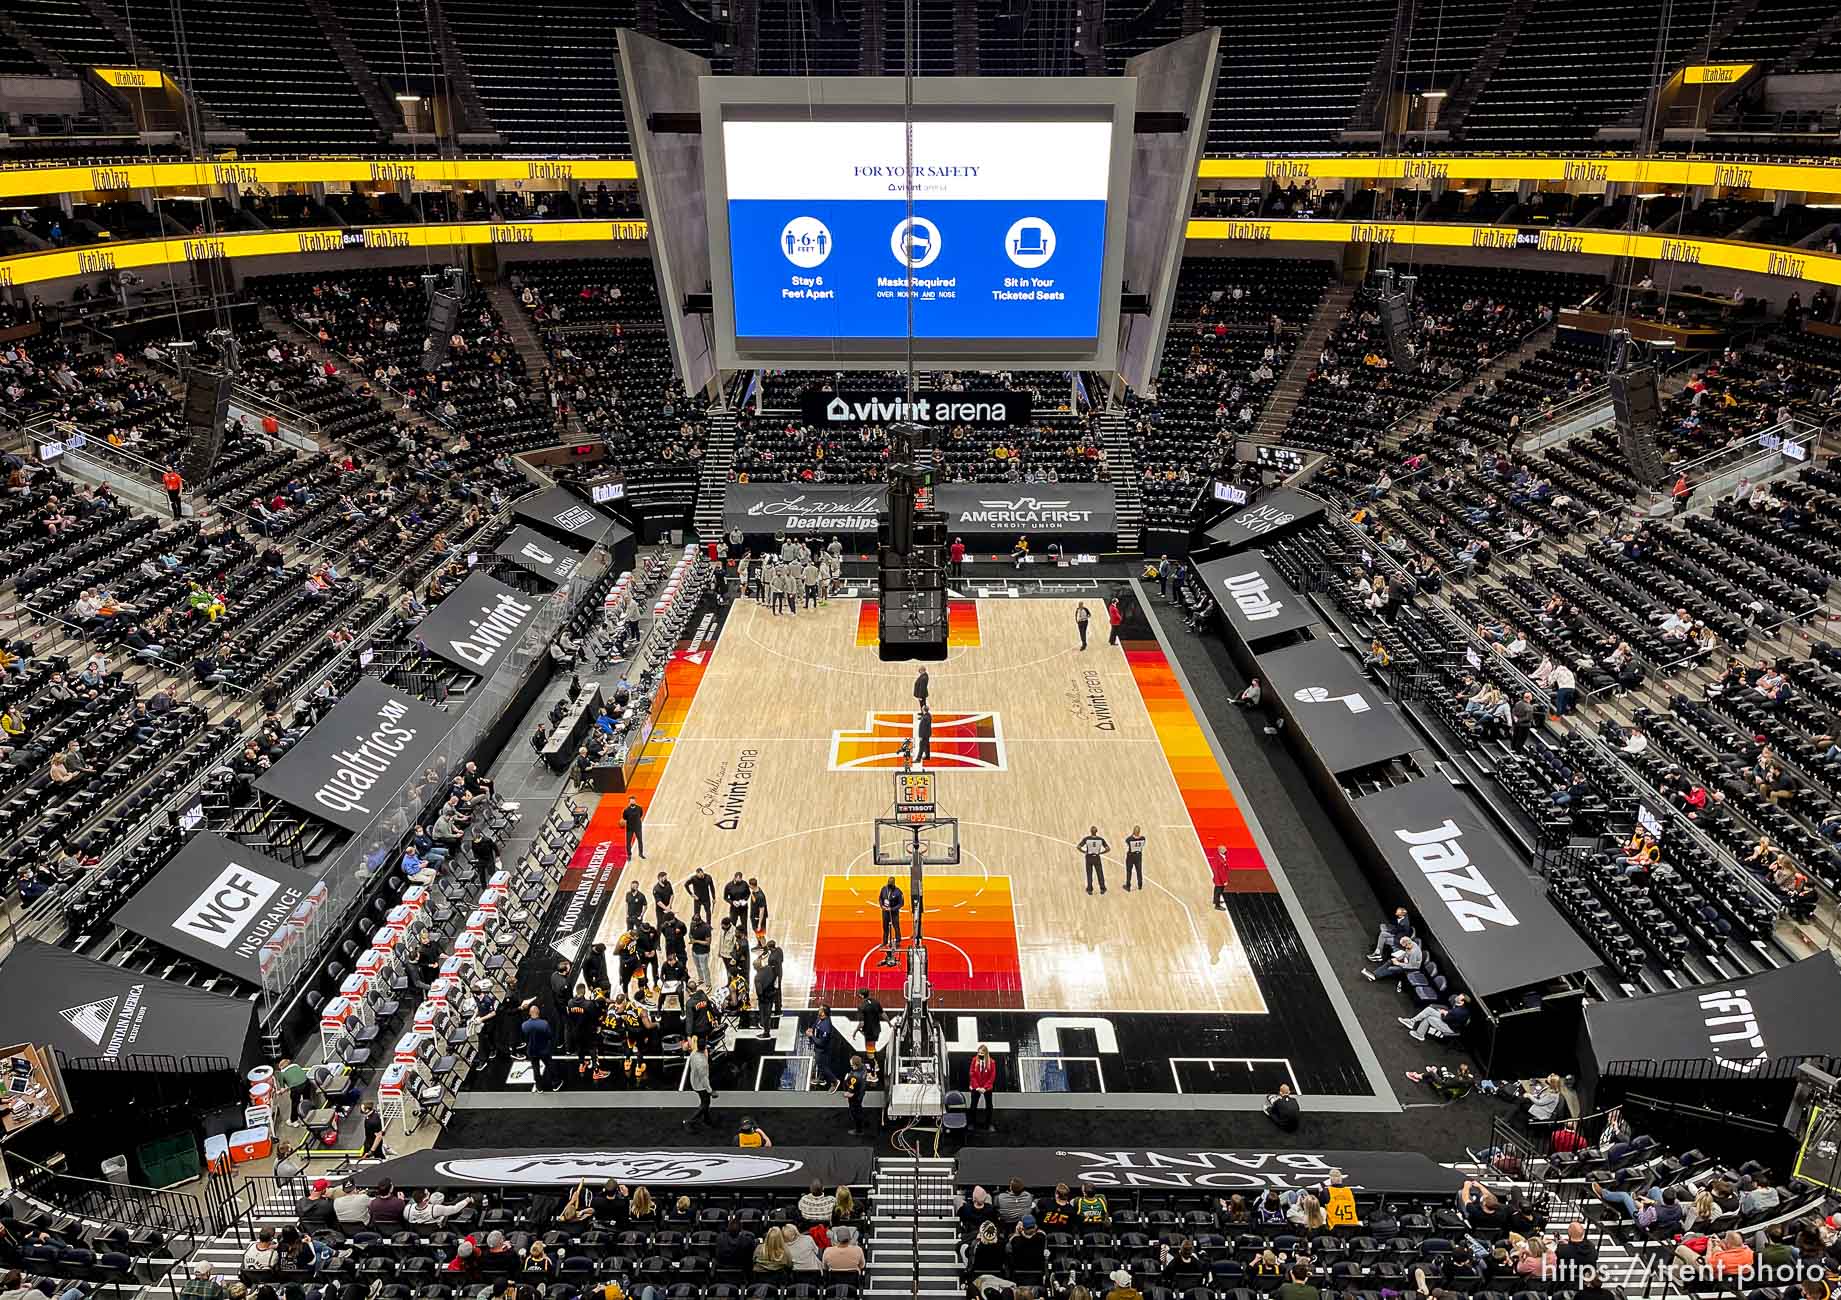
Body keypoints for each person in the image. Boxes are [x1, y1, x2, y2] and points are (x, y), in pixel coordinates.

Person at [1399, 993, 1470, 1041]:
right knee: (1429, 1010)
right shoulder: (1462, 1008)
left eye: (1458, 998)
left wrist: (1443, 1012)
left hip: (1450, 1027)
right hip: (1450, 1021)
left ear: (1462, 1002)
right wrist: (1445, 1013)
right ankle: (1412, 1022)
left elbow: (1445, 1019)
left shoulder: (1458, 1011)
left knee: (1429, 1018)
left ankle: (1420, 1035)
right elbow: (1451, 1016)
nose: (1456, 997)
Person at [521, 1000, 554, 1092]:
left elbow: (524, 1038)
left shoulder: (524, 1025)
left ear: (529, 1013)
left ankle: (539, 1087)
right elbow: (550, 1036)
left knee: (536, 1069)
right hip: (543, 1049)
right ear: (538, 1012)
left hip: (532, 1050)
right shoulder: (544, 1024)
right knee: (550, 1065)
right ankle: (555, 1083)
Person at [683, 1036, 713, 1128]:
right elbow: (704, 1078)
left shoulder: (693, 1053)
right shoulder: (702, 1063)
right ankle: (690, 1121)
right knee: (705, 1104)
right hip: (700, 1086)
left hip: (694, 1080)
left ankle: (706, 1119)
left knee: (705, 1102)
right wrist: (710, 1091)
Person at [968, 1042, 997, 1129]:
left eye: (982, 1053)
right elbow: (972, 1074)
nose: (980, 1055)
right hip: (975, 1086)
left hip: (986, 1088)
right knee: (973, 1105)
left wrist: (985, 1088)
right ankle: (972, 1123)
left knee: (989, 1106)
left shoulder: (991, 1062)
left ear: (986, 1053)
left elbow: (992, 1076)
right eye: (979, 1053)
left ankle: (988, 1124)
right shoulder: (974, 1060)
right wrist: (977, 1087)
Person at [877, 876, 905, 960]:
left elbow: (901, 904)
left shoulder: (898, 892)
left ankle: (898, 941)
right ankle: (885, 941)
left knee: (896, 927)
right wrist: (882, 906)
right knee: (885, 927)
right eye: (888, 883)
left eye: (890, 884)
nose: (889, 885)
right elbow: (880, 898)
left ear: (893, 884)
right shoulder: (884, 889)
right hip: (885, 912)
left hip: (894, 913)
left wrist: (892, 909)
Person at [1077, 826, 1110, 895]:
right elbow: (1108, 849)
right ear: (1096, 832)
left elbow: (1078, 847)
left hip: (1089, 858)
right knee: (1100, 873)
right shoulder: (1100, 839)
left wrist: (1084, 852)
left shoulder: (1087, 839)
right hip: (1097, 858)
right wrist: (1101, 853)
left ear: (1090, 831)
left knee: (1089, 874)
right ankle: (1102, 889)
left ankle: (1089, 890)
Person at [843, 1054, 870, 1134]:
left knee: (854, 1112)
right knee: (859, 1108)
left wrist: (846, 1080)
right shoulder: (864, 1067)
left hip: (855, 1096)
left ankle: (858, 1130)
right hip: (861, 1092)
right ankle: (862, 1120)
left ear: (855, 1065)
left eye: (852, 1065)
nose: (851, 1066)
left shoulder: (854, 1077)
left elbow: (849, 1093)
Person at [857, 987, 884, 1053]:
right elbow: (883, 1014)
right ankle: (874, 1061)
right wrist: (889, 1023)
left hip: (869, 1031)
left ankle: (873, 1062)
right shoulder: (876, 1002)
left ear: (862, 996)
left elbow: (861, 1023)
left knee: (869, 1049)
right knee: (872, 1046)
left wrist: (855, 1031)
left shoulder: (862, 1006)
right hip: (876, 1029)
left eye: (859, 994)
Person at [1123, 826, 1145, 891]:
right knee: (1139, 871)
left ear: (1134, 831)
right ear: (1139, 832)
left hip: (1131, 857)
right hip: (1138, 856)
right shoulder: (1143, 838)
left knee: (1129, 871)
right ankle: (1140, 885)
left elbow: (1126, 840)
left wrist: (1133, 834)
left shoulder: (1130, 839)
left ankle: (1128, 886)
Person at [1211, 844, 1232, 909]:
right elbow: (1220, 872)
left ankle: (1215, 900)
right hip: (1219, 879)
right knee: (1219, 891)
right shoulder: (1220, 859)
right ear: (1221, 851)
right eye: (1224, 850)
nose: (1226, 850)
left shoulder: (1219, 856)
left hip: (1218, 878)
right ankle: (1217, 906)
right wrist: (1224, 881)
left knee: (1216, 890)